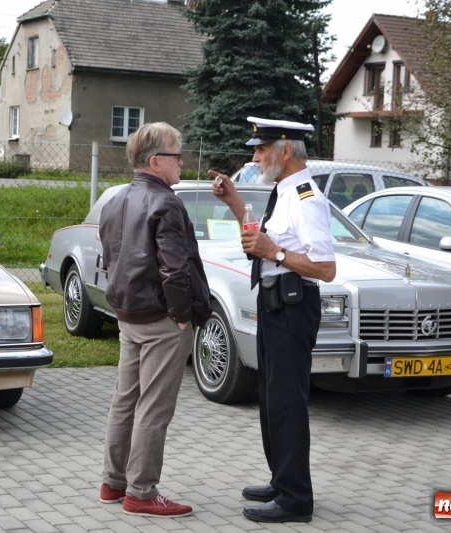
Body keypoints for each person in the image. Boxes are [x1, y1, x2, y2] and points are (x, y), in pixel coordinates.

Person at [210, 117, 336, 523]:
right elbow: (260, 239)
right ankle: (282, 481)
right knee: (271, 398)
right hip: (274, 302)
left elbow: (325, 268)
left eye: (261, 149)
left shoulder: (305, 198)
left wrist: (275, 253)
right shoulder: (283, 192)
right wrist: (234, 202)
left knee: (286, 401)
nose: (255, 158)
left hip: (293, 306)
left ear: (285, 151)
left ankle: (296, 499)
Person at [97, 122, 212, 518]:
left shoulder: (115, 200)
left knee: (125, 399)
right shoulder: (166, 203)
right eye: (176, 155)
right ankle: (142, 492)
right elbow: (175, 269)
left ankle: (113, 483)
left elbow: (111, 259)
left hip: (128, 315)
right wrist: (181, 315)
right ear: (155, 161)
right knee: (154, 407)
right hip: (163, 319)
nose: (182, 162)